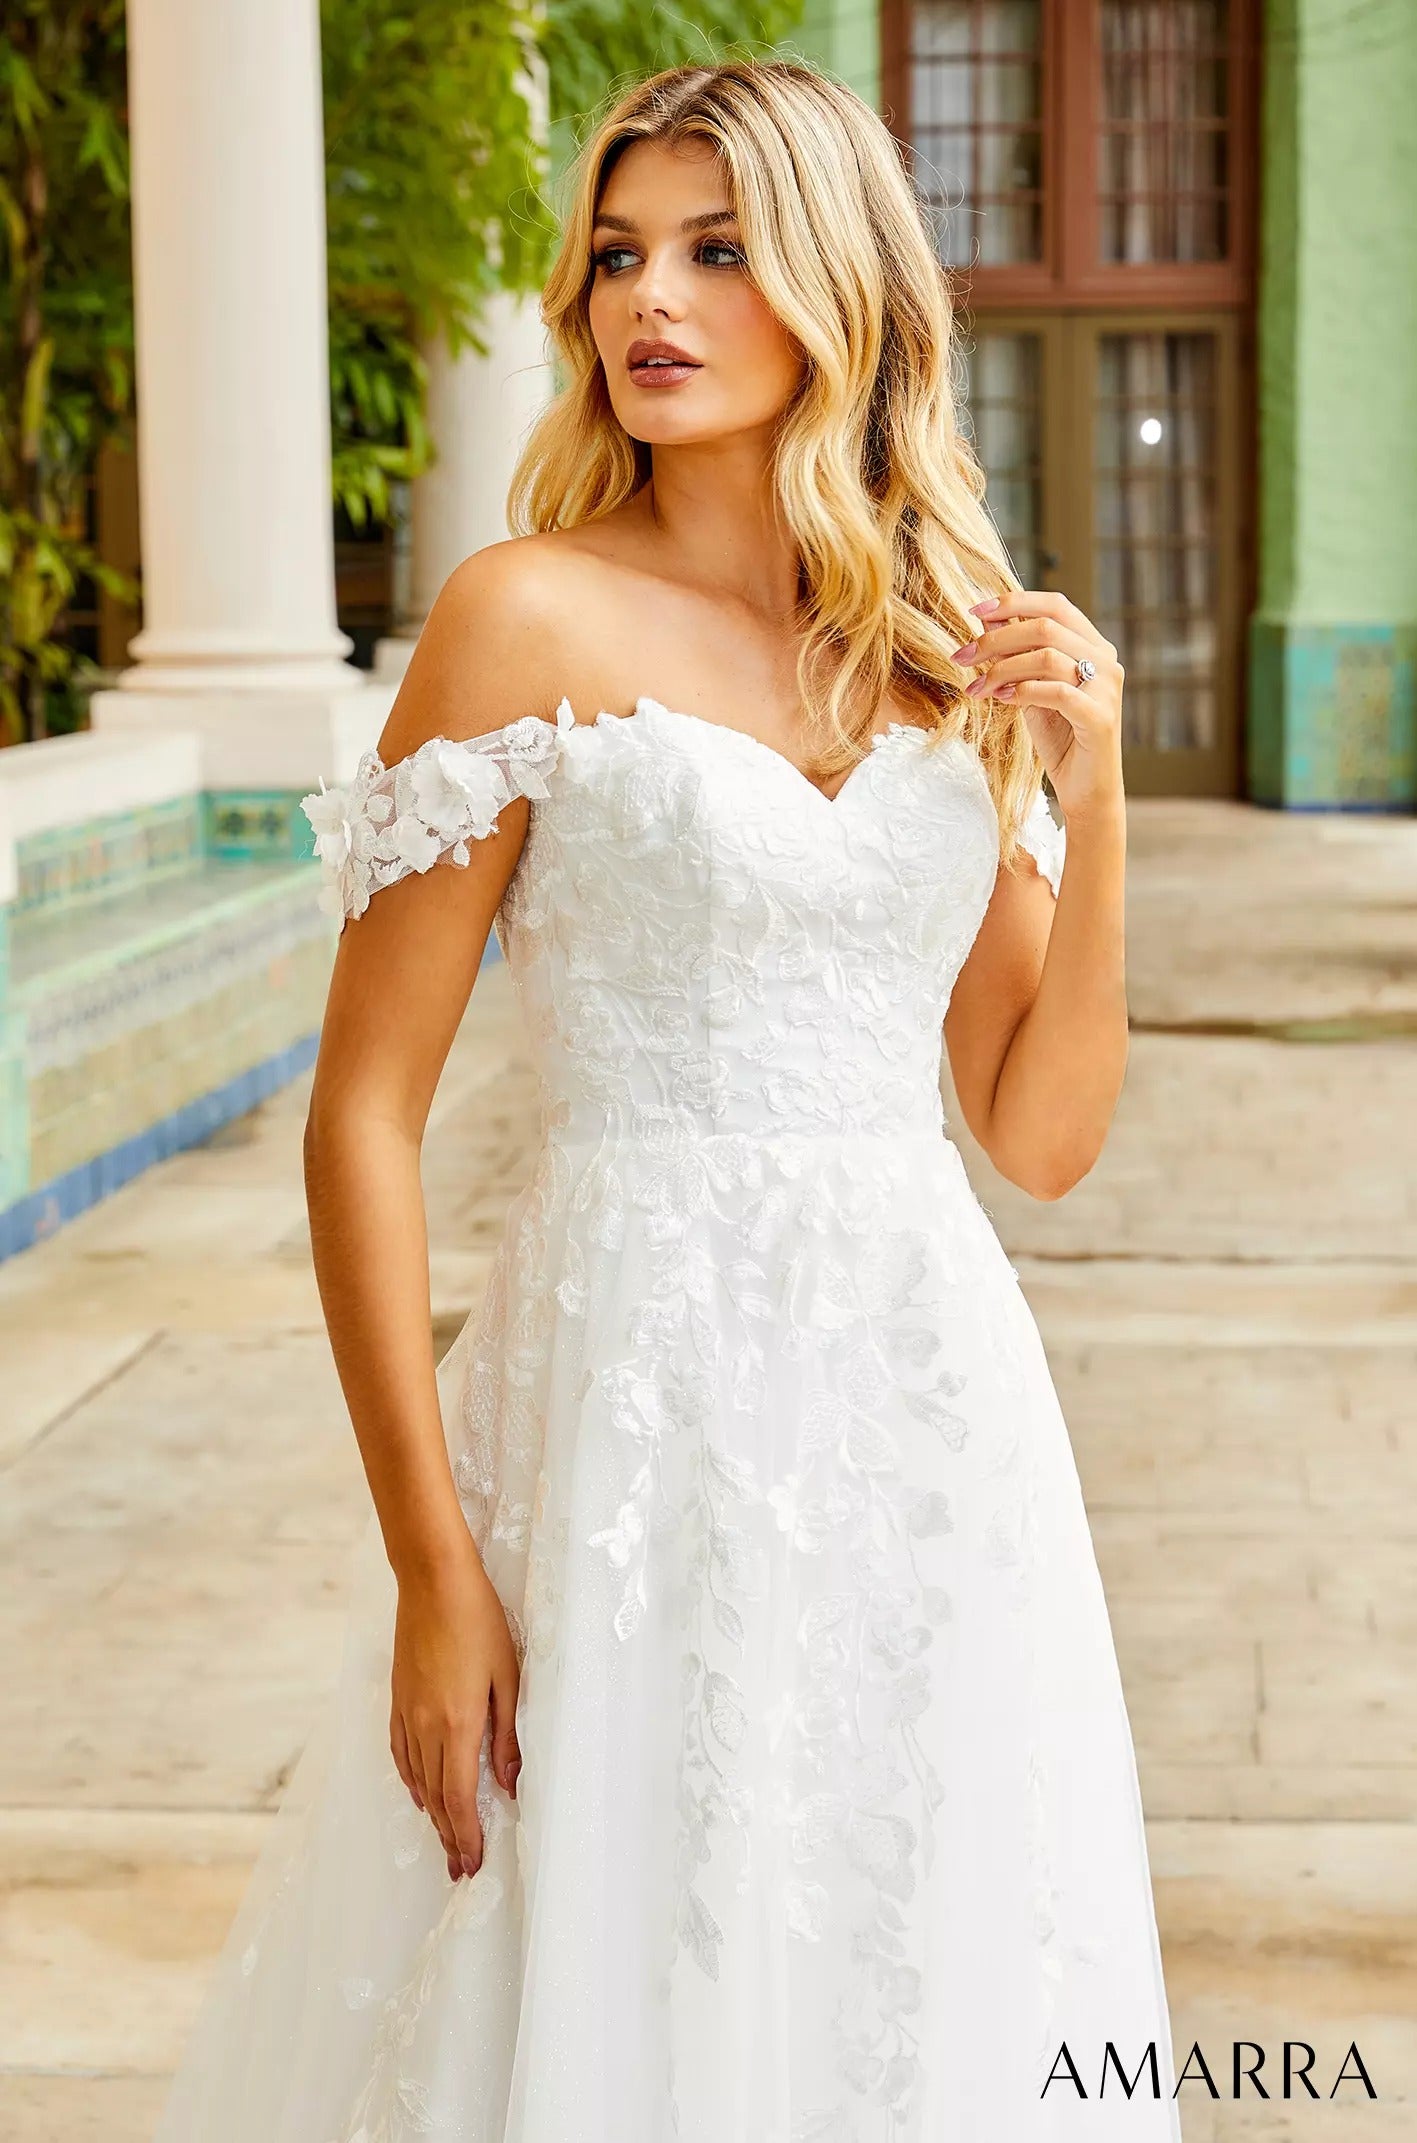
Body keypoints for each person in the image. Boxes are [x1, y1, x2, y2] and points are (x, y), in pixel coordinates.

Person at [151, 57, 1181, 2143]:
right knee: (606, 1951)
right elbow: (363, 1116)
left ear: (837, 289)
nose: (652, 296)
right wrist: (436, 1564)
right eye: (620, 252)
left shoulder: (930, 653)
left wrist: (1100, 798)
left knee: (906, 1950)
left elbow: (1039, 1132)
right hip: (622, 1411)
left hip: (923, 1421)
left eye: (717, 249)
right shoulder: (521, 615)